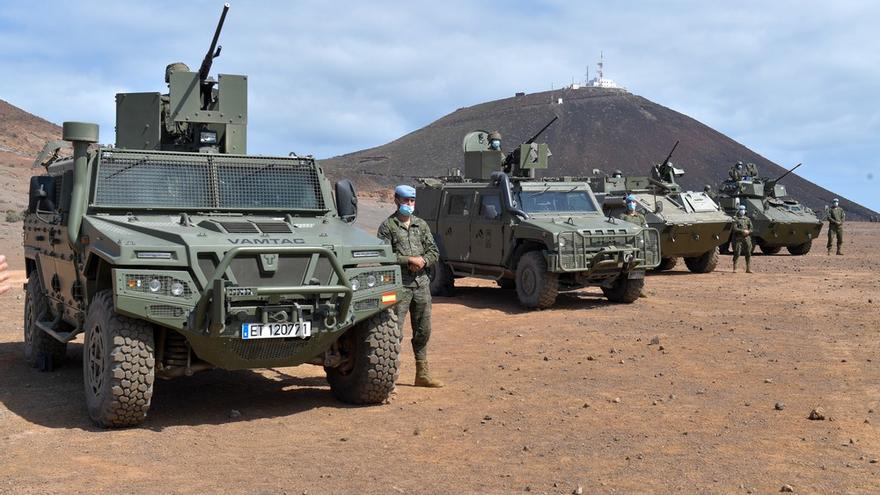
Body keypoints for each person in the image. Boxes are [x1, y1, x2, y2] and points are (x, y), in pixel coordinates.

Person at [376, 185, 443, 388]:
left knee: (423, 330)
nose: (409, 205)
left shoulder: (421, 225)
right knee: (394, 332)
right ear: (396, 200)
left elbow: (434, 251)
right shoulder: (388, 226)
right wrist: (408, 260)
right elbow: (384, 256)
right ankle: (389, 379)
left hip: (421, 284)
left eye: (412, 201)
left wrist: (424, 260)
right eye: (406, 201)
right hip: (400, 286)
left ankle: (422, 374)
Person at [731, 204, 753, 273]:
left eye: (743, 210)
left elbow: (751, 228)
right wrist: (742, 231)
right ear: (738, 210)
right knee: (737, 252)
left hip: (747, 238)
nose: (742, 211)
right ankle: (735, 268)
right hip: (738, 238)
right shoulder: (735, 219)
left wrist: (748, 231)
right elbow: (734, 228)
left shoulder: (747, 219)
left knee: (748, 252)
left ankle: (748, 268)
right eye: (741, 210)